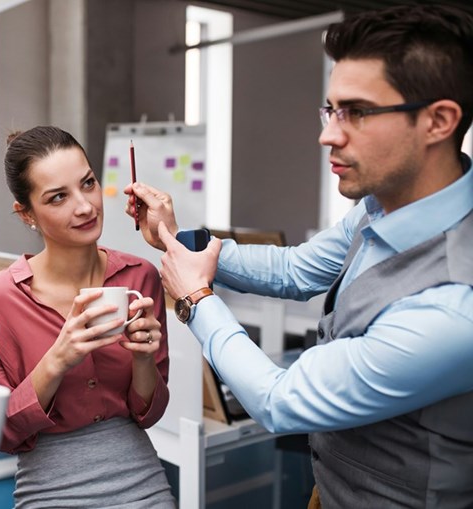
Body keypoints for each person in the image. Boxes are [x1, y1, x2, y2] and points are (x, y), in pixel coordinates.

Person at [126, 4, 473, 508]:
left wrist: (197, 300)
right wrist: (182, 240)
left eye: (357, 112)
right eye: (330, 110)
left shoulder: (454, 304)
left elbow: (279, 400)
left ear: (438, 121)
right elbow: (296, 268)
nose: (328, 134)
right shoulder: (381, 207)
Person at [0, 126, 176, 508]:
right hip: (49, 489)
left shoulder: (140, 276)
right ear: (26, 213)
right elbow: (3, 434)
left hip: (140, 481)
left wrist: (143, 357)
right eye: (58, 197)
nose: (85, 206)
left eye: (88, 183)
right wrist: (58, 358)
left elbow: (149, 413)